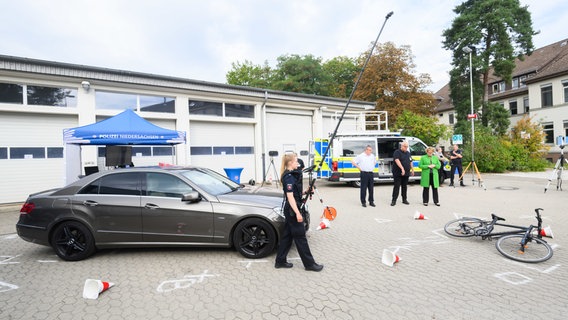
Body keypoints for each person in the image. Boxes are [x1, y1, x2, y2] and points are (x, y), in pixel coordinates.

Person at [275, 153, 324, 272]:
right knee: (300, 237)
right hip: (292, 210)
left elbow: (295, 194)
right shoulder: (288, 177)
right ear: (290, 163)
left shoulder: (291, 176)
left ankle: (280, 261)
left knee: (287, 236)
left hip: (292, 208)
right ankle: (309, 264)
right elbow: (290, 198)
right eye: (296, 161)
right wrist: (297, 213)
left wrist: (306, 191)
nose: (298, 163)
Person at [391, 141, 414, 206]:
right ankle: (394, 200)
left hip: (406, 172)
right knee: (397, 186)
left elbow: (411, 161)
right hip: (398, 172)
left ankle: (404, 199)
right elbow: (397, 160)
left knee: (404, 186)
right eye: (405, 146)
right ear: (401, 146)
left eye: (407, 146)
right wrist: (402, 168)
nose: (406, 148)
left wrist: (412, 169)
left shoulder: (408, 153)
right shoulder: (397, 152)